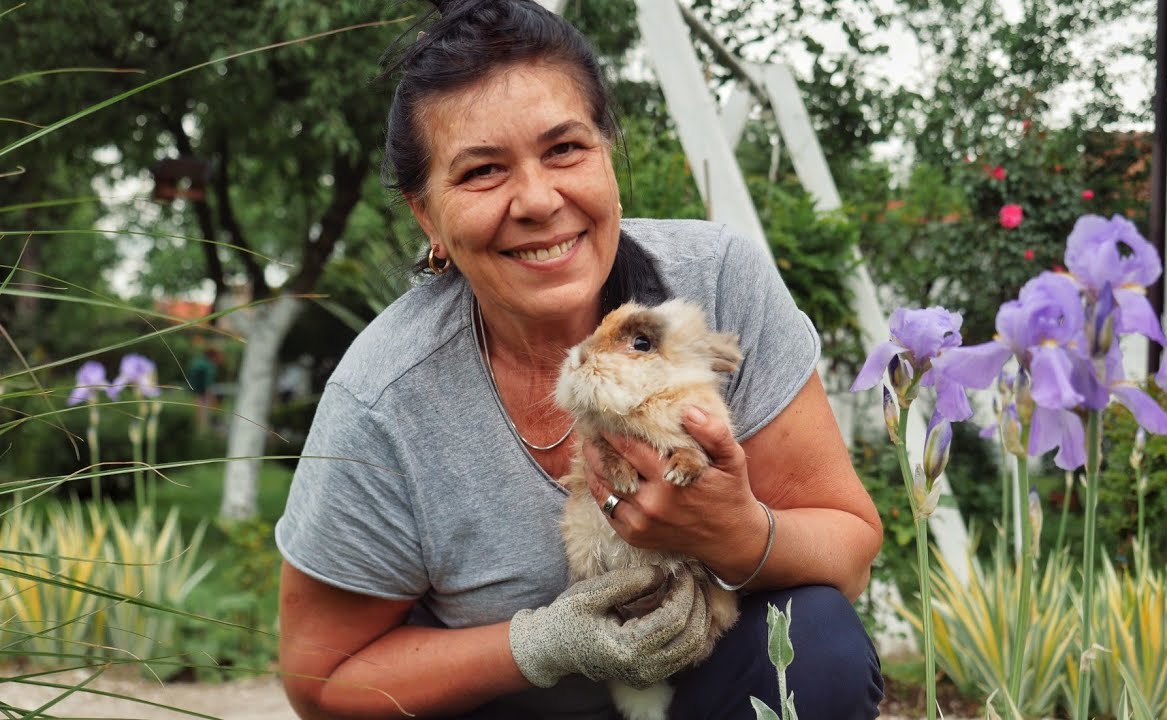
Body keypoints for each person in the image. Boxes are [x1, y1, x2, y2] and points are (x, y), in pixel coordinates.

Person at [275, 1, 885, 718]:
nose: (538, 200)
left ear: (606, 152)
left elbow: (848, 551)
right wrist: (537, 647)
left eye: (565, 149)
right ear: (426, 216)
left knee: (818, 644)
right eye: (481, 171)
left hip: (709, 688)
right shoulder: (384, 400)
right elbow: (322, 680)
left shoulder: (718, 281)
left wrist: (739, 533)